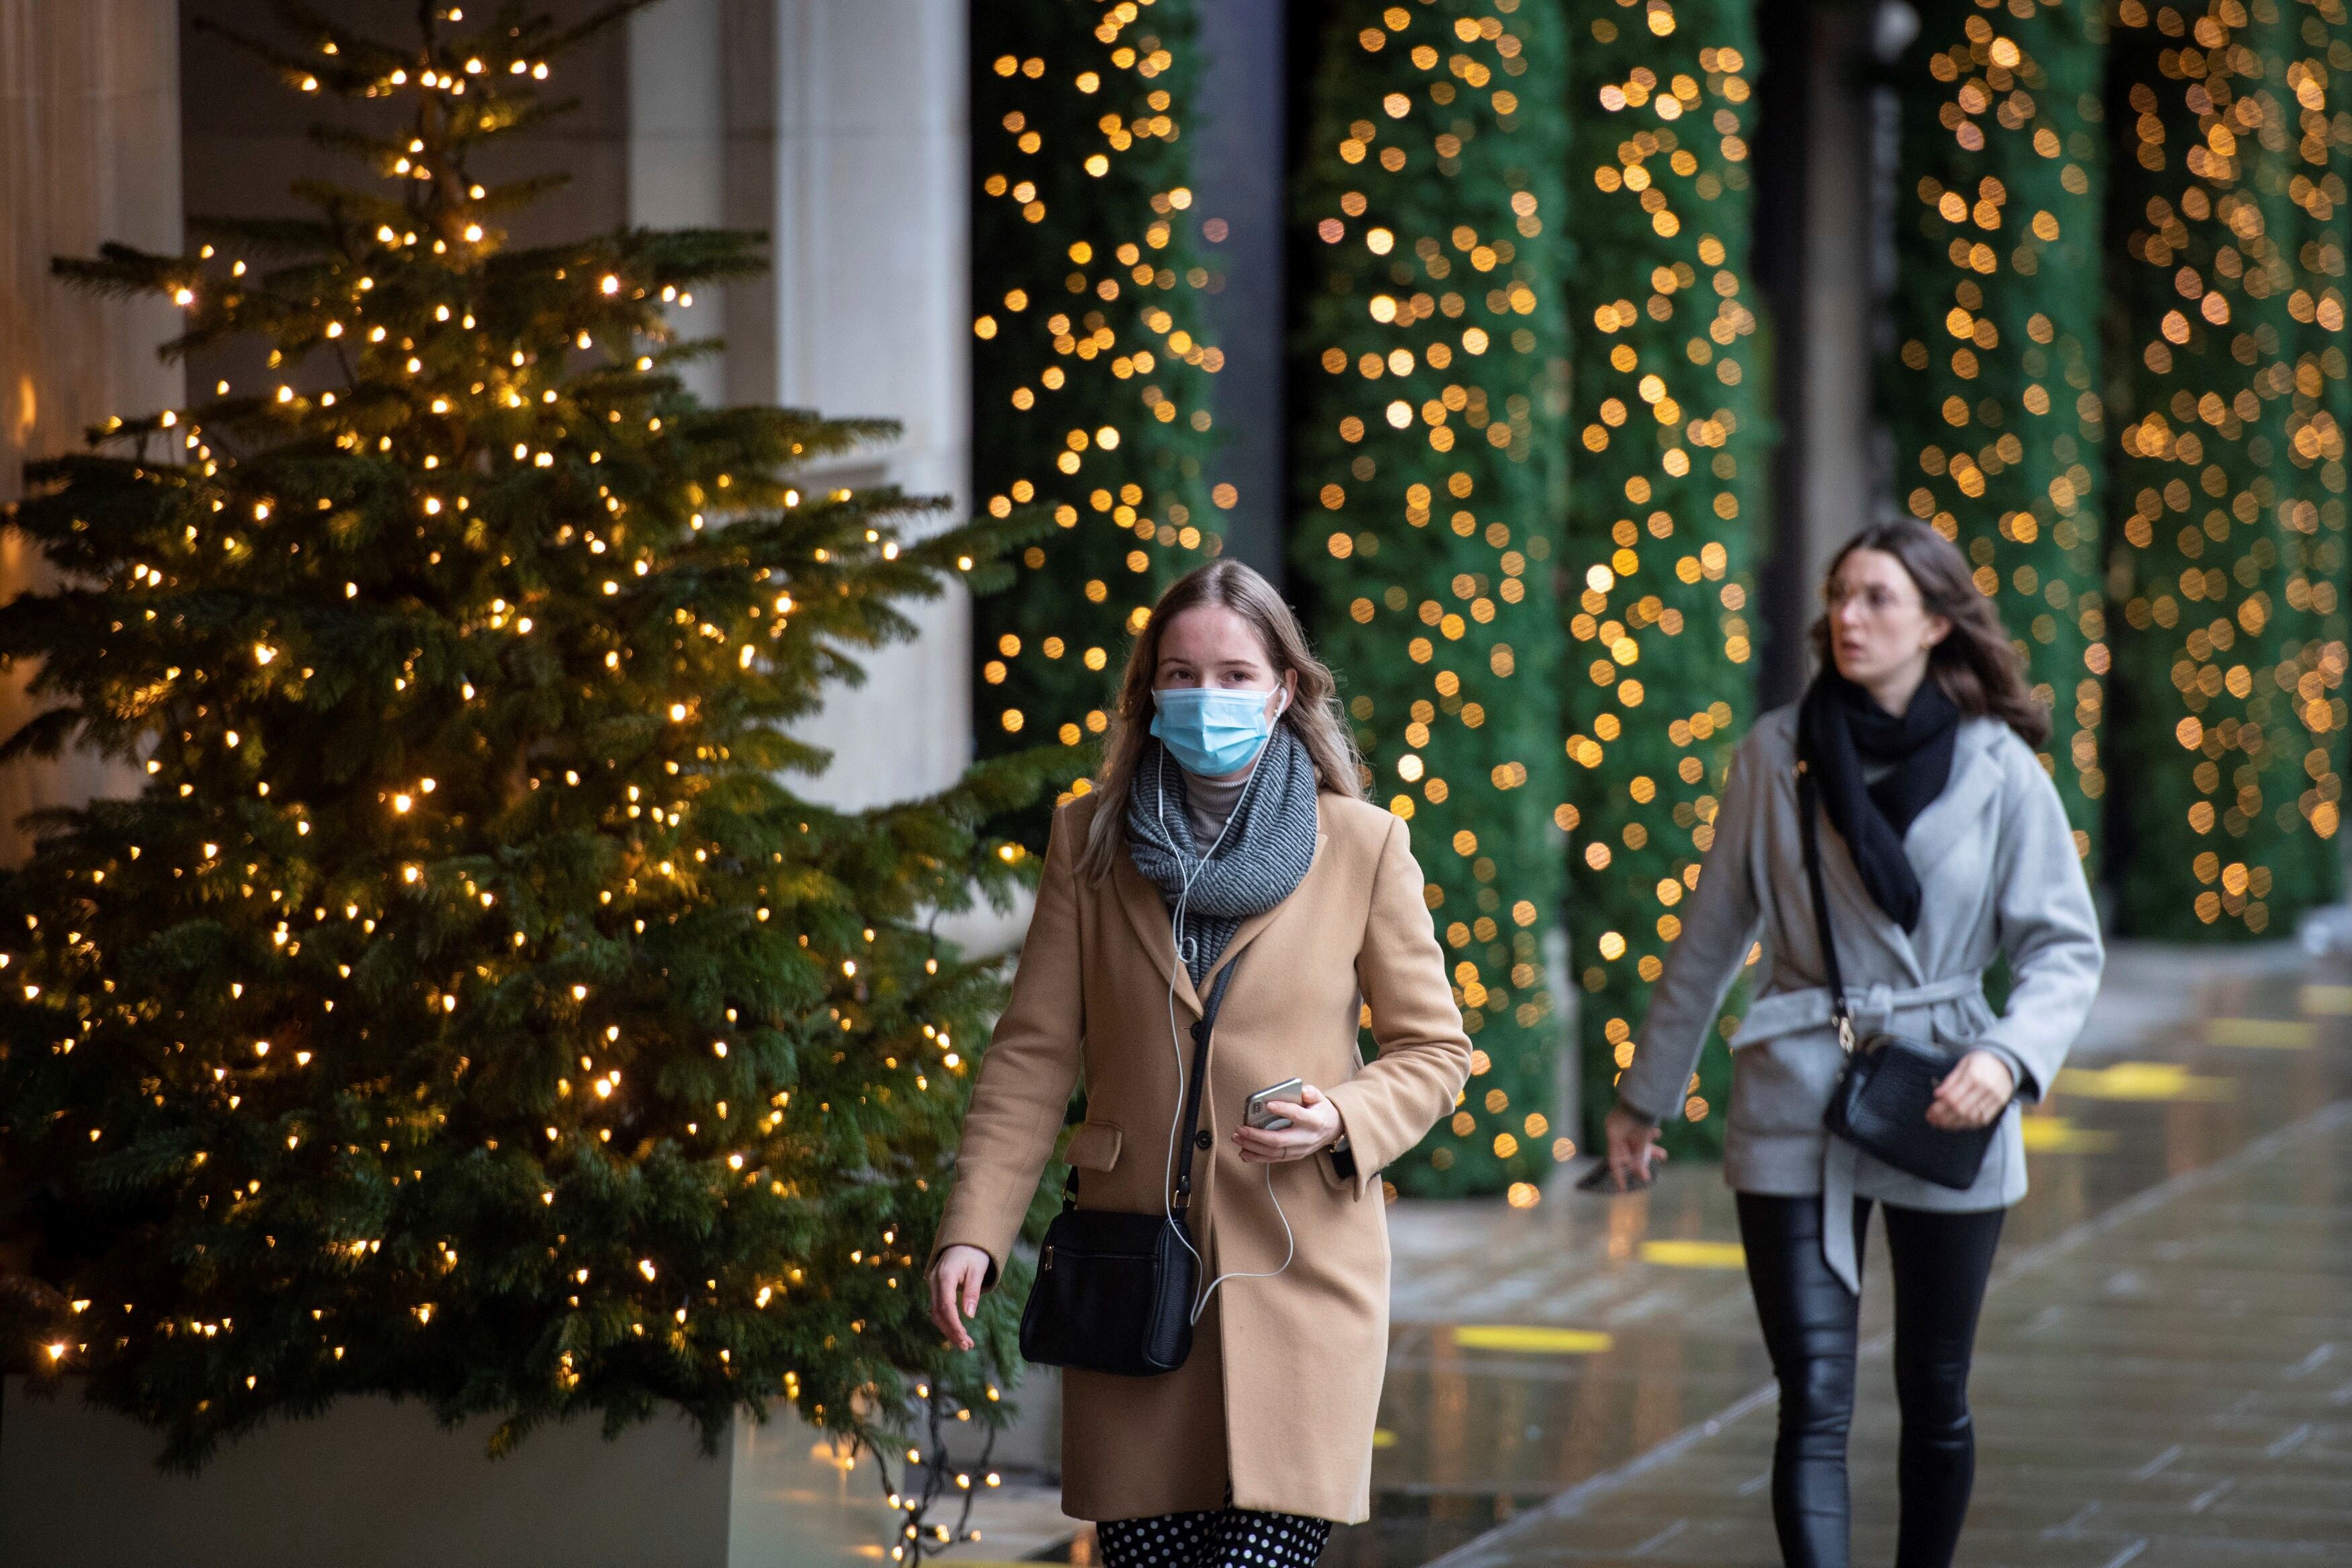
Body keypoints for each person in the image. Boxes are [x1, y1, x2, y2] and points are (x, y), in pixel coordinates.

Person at [926, 560, 1471, 1566]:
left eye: (1231, 674)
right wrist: (974, 1233)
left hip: (1299, 1270)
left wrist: (1343, 1116)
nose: (1204, 697)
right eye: (1180, 674)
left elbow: (1436, 1048)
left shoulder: (1362, 845)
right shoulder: (1088, 842)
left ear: (1284, 689)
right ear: (1149, 691)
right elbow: (1032, 1057)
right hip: (1133, 1280)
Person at [1605, 519, 2102, 1568]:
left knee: (1935, 1391)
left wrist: (2007, 1060)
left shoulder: (2000, 769)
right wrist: (1641, 1102)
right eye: (1839, 595)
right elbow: (1709, 941)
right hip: (1797, 1084)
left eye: (1877, 596)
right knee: (1814, 1397)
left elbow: (2064, 947)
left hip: (1948, 1087)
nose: (1848, 615)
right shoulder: (1773, 756)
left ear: (1935, 621)